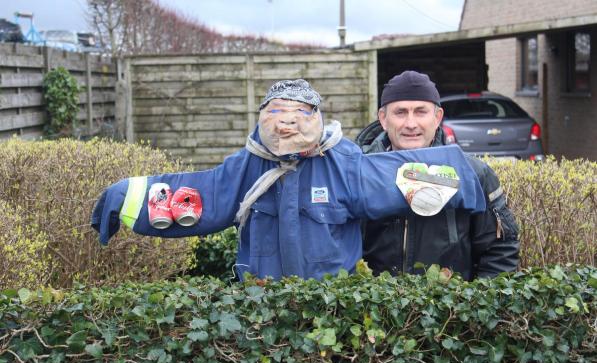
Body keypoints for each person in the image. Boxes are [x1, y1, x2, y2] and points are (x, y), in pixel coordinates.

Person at [92, 78, 487, 281]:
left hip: (332, 306)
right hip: (262, 306)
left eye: (300, 112)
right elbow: (202, 196)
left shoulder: (343, 160)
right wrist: (127, 198)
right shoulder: (248, 165)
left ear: (316, 115)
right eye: (277, 111)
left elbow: (393, 178)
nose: (287, 121)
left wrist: (464, 177)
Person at [356, 71, 519, 280]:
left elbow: (500, 250)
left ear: (437, 117)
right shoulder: (357, 173)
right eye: (401, 112)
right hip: (374, 308)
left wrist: (474, 305)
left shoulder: (472, 174)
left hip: (449, 308)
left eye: (421, 112)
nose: (411, 123)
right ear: (383, 119)